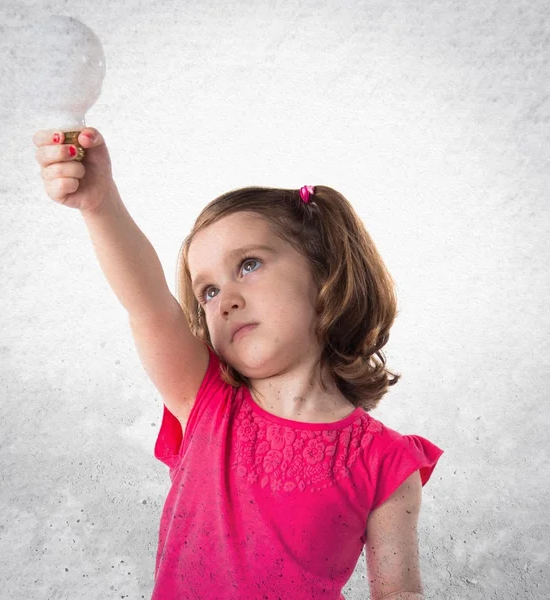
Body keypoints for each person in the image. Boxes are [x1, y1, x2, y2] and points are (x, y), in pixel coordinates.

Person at [33, 127, 444, 600]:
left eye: (248, 265)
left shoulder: (388, 463)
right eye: (207, 291)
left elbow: (398, 593)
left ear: (325, 271)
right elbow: (147, 303)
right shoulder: (205, 399)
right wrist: (100, 205)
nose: (224, 299)